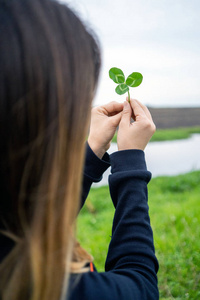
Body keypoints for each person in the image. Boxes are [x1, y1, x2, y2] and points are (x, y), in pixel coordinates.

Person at [0, 0, 159, 299]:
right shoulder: (57, 289)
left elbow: (30, 221)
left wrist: (91, 153)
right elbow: (141, 286)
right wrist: (131, 163)